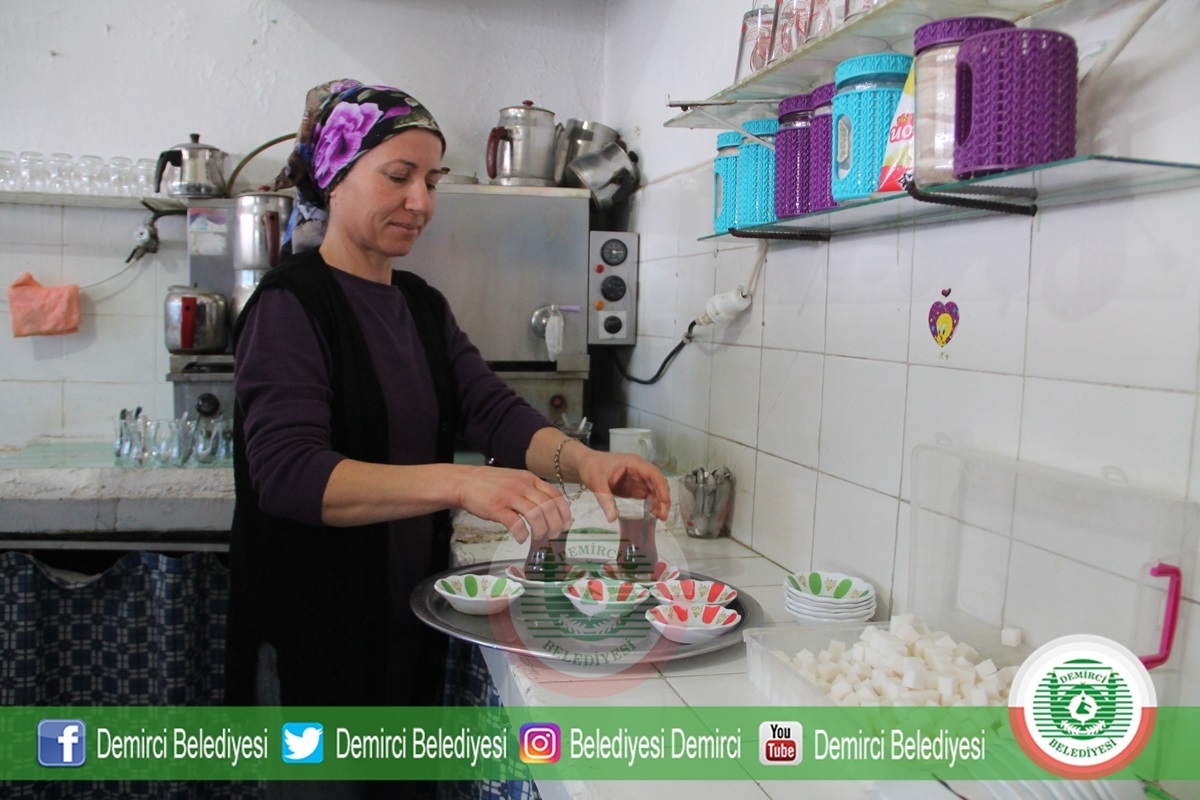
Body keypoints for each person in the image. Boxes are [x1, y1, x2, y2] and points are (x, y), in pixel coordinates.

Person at [224, 80, 670, 711]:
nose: (420, 202)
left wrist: (585, 462)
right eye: (398, 176)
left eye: (431, 182)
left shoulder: (421, 306)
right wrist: (460, 483)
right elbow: (289, 475)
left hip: (403, 624)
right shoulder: (289, 306)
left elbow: (492, 412)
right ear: (334, 176)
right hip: (312, 633)